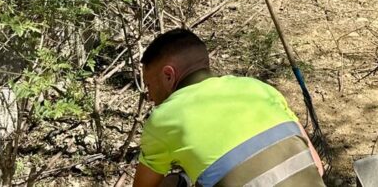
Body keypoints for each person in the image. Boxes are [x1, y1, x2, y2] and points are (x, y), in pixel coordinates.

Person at [133, 29, 326, 187]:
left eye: (149, 85)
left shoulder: (163, 119)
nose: (149, 96)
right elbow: (317, 166)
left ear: (168, 75)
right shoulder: (259, 88)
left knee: (173, 183)